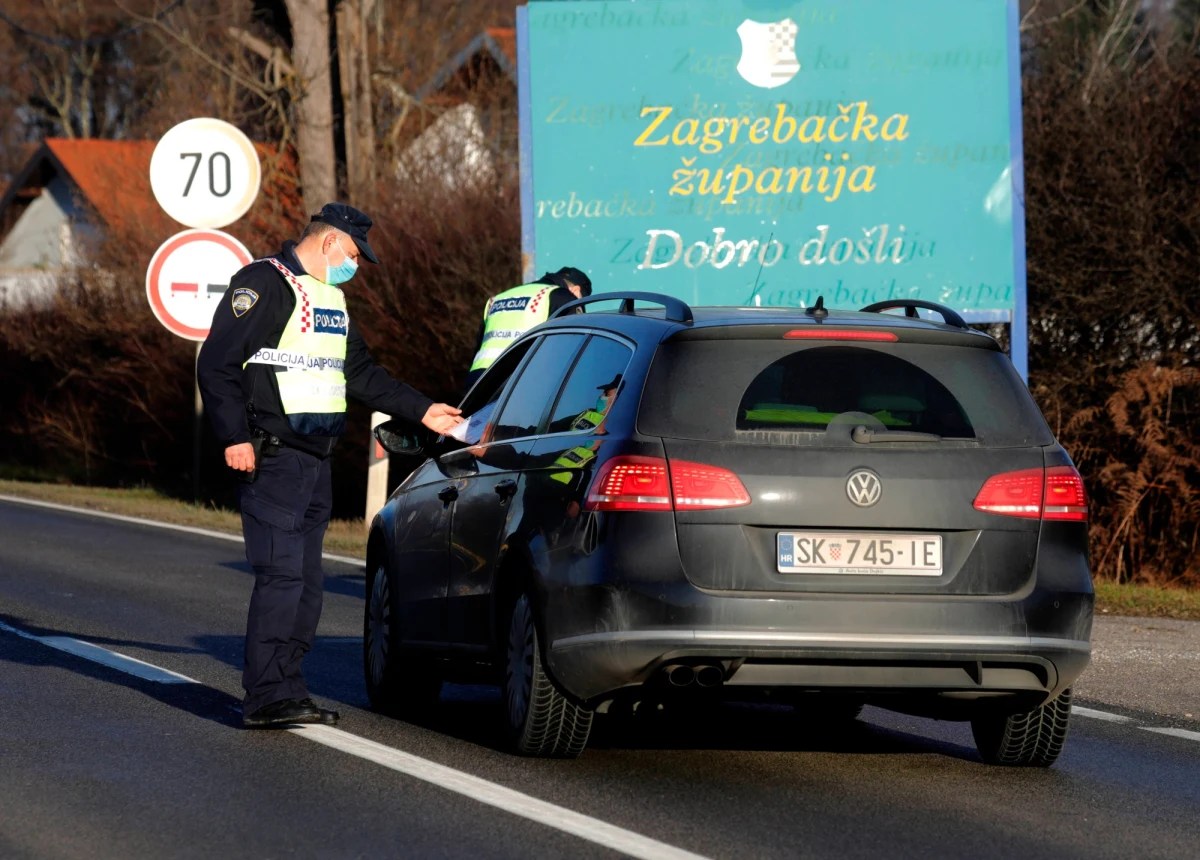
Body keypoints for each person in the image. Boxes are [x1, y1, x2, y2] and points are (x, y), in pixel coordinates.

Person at [197, 202, 462, 729]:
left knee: (307, 582)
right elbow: (217, 363)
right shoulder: (264, 283)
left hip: (316, 461)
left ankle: (287, 688)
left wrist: (422, 409)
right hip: (273, 455)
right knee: (281, 576)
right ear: (329, 241)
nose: (356, 265)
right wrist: (234, 436)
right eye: (355, 254)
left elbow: (360, 373)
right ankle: (266, 695)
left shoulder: (330, 298)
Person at [465, 267, 592, 392]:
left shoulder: (497, 298)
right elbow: (571, 350)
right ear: (576, 290)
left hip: (478, 380)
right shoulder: (564, 297)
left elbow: (479, 345)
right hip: (519, 380)